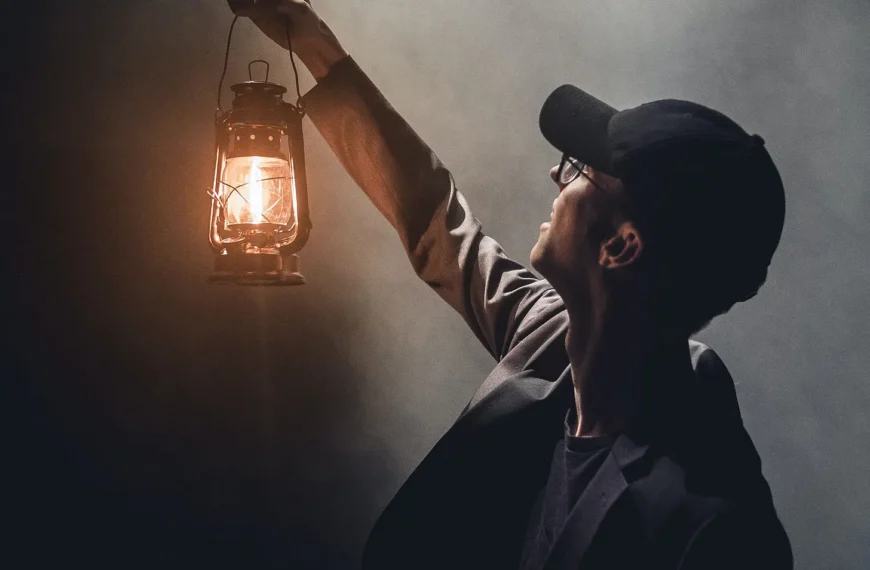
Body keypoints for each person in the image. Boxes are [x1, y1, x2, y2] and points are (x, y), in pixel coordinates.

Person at [246, 1, 793, 568]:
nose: (555, 174)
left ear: (621, 246)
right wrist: (313, 44)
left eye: (579, 171)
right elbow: (437, 222)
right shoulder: (551, 336)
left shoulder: (717, 531)